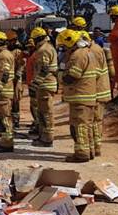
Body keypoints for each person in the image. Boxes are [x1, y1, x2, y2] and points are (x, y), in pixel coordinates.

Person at [59, 29, 99, 162]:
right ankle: (90, 151)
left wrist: (60, 74)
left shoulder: (77, 55)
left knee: (79, 126)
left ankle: (81, 154)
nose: (64, 49)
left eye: (64, 46)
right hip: (88, 95)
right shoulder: (87, 52)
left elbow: (72, 76)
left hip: (80, 96)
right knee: (87, 125)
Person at [30, 27, 58, 147]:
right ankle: (44, 136)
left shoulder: (43, 50)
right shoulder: (48, 47)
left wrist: (35, 84)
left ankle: (47, 138)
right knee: (43, 111)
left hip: (45, 85)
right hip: (46, 84)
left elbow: (44, 69)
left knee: (46, 112)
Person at [85, 31, 111, 157]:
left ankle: (93, 148)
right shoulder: (97, 49)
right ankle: (96, 147)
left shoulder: (92, 51)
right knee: (97, 121)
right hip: (101, 90)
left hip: (95, 91)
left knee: (92, 120)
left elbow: (90, 74)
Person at [8, 30, 26, 127]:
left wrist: (18, 75)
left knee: (15, 99)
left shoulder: (18, 51)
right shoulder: (8, 50)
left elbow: (22, 64)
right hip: (9, 78)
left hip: (16, 78)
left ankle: (15, 120)